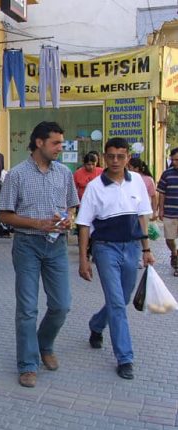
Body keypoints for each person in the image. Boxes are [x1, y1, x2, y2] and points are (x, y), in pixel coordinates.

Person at [0, 121, 79, 388]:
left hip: (57, 246)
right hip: (27, 245)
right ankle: (28, 364)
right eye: (55, 143)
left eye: (61, 142)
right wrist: (38, 224)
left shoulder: (64, 173)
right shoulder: (17, 175)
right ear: (39, 142)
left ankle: (44, 344)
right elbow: (4, 215)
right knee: (27, 308)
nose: (60, 147)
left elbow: (71, 206)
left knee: (62, 305)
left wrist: (68, 219)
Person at [77, 137, 154, 380]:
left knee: (124, 298)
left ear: (128, 158)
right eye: (111, 156)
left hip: (131, 248)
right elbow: (83, 225)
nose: (115, 161)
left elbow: (143, 217)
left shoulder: (137, 182)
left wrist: (146, 249)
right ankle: (125, 358)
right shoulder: (94, 187)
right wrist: (83, 259)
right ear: (104, 157)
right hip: (105, 248)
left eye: (121, 156)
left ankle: (97, 324)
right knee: (117, 302)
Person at [156, 147, 178, 277]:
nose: (174, 162)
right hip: (170, 212)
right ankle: (174, 252)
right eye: (172, 159)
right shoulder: (167, 174)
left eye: (177, 160)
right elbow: (162, 193)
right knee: (169, 238)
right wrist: (160, 209)